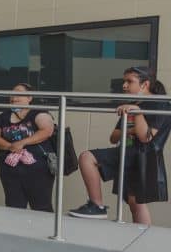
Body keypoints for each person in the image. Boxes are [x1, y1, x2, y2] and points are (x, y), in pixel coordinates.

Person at [68, 66, 169, 224]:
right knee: (134, 202)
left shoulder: (158, 104)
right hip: (127, 152)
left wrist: (137, 112)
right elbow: (114, 137)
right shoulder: (131, 104)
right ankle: (100, 208)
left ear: (145, 84)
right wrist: (132, 127)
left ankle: (97, 206)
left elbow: (146, 137)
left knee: (87, 157)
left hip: (144, 156)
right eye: (124, 81)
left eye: (129, 81)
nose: (124, 85)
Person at [0, 82, 55, 211]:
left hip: (38, 168)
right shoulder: (3, 116)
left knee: (41, 207)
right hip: (10, 169)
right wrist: (10, 146)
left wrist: (22, 143)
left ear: (29, 97)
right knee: (14, 206)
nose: (14, 98)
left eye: (18, 94)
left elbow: (47, 130)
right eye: (12, 95)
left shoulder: (38, 113)